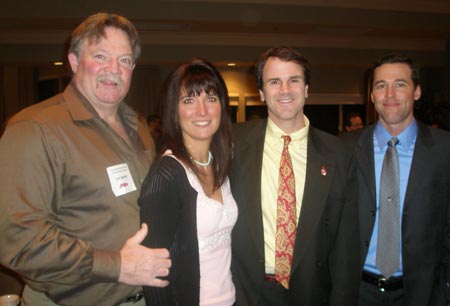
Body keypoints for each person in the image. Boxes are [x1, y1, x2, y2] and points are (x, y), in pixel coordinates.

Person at [0, 13, 171, 306]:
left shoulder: (138, 126)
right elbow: (19, 239)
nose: (113, 69)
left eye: (125, 60)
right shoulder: (35, 128)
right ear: (75, 62)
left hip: (145, 296)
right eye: (101, 56)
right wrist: (116, 265)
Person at [230, 46, 360, 306]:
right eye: (274, 82)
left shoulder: (338, 153)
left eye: (294, 80)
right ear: (261, 92)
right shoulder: (232, 143)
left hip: (312, 294)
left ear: (307, 88)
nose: (285, 90)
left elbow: (345, 246)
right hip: (245, 293)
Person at [341, 53, 450, 305]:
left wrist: (444, 289)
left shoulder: (445, 151)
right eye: (381, 86)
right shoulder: (344, 149)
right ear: (371, 95)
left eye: (400, 84)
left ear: (417, 91)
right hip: (356, 293)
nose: (389, 95)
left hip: (422, 295)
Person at [139, 58, 237, 306]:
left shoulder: (224, 165)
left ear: (222, 107)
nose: (202, 111)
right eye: (189, 100)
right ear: (174, 109)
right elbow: (155, 273)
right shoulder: (166, 174)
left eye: (211, 99)